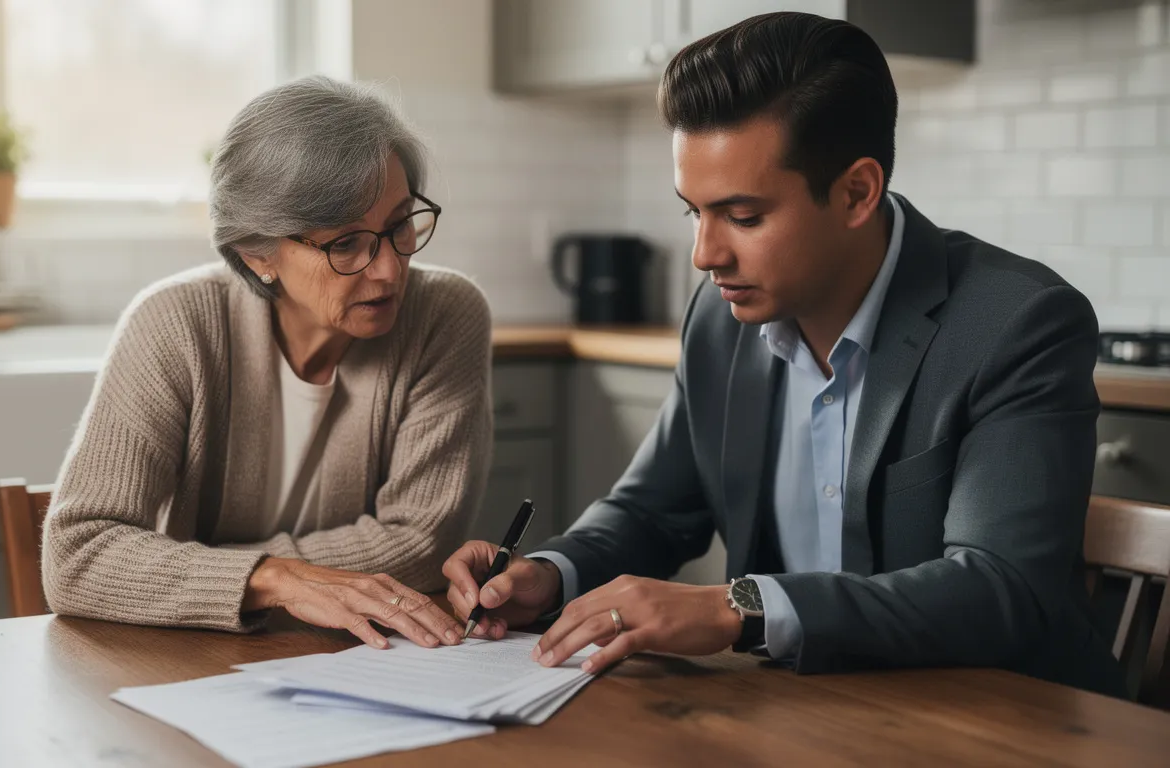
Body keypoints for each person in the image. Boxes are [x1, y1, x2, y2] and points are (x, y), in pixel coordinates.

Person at [443, 12, 1124, 696]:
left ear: (857, 192)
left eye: (744, 217)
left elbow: (999, 589)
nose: (705, 255)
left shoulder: (1017, 323)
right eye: (693, 212)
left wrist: (739, 606)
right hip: (805, 707)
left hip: (1001, 716)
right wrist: (549, 573)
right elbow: (652, 511)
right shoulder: (719, 316)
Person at [43, 76, 492, 650]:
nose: (388, 270)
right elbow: (78, 555)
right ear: (258, 254)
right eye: (347, 244)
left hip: (362, 657)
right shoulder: (176, 324)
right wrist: (274, 580)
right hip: (186, 659)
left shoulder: (445, 315)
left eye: (400, 224)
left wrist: (189, 571)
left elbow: (422, 541)